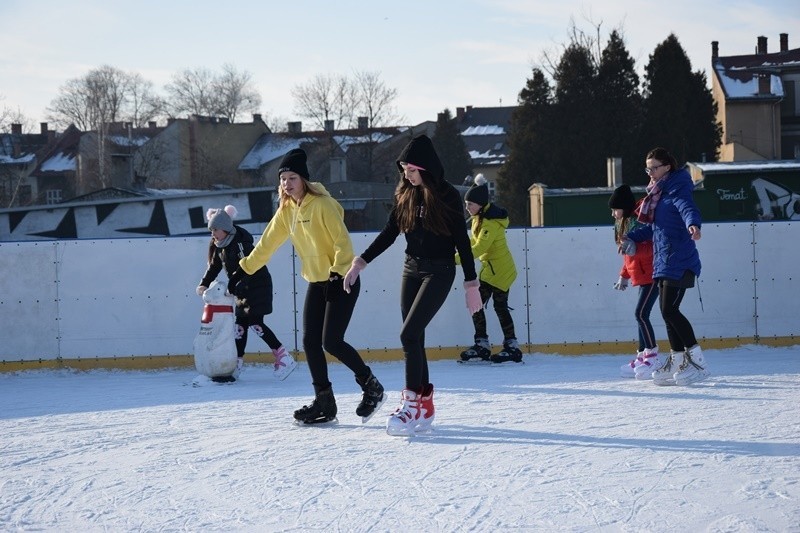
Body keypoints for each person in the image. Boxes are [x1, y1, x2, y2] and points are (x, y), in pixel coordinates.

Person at [343, 134, 482, 436]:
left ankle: (410, 403)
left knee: (407, 334)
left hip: (440, 271)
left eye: (411, 169)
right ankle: (425, 405)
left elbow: (462, 241)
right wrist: (361, 261)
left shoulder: (447, 196)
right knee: (414, 338)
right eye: (404, 168)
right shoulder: (406, 194)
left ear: (426, 168)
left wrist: (471, 283)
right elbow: (390, 231)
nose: (406, 173)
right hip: (412, 268)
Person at [235, 148, 385, 424]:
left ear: (304, 179)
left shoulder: (323, 205)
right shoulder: (286, 211)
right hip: (317, 281)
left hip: (343, 279)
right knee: (309, 341)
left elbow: (343, 245)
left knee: (332, 341)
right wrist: (244, 269)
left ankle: (371, 387)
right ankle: (324, 402)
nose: (287, 184)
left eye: (292, 178)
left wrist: (337, 276)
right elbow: (267, 244)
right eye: (283, 179)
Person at [624, 147, 709, 386]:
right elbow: (654, 228)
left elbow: (687, 209)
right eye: (647, 167)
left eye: (654, 167)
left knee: (670, 311)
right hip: (663, 260)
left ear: (667, 167)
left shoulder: (677, 189)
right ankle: (678, 358)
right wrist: (632, 237)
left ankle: (697, 361)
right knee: (666, 312)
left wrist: (693, 224)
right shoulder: (659, 195)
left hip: (680, 260)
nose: (650, 172)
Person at [197, 205, 297, 381]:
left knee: (255, 323)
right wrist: (204, 284)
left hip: (257, 286)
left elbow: (250, 267)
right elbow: (214, 267)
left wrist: (237, 285)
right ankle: (237, 362)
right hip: (241, 289)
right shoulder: (220, 246)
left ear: (226, 229)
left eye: (215, 229)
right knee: (240, 326)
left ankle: (283, 357)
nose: (212, 233)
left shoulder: (241, 243)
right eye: (211, 230)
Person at [458, 173, 522, 364]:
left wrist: (453, 259)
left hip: (501, 272)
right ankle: (482, 344)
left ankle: (512, 347)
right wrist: (458, 249)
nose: (467, 207)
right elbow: (472, 242)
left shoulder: (490, 222)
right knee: (475, 304)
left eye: (470, 204)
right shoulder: (479, 218)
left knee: (500, 307)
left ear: (479, 204)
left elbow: (479, 248)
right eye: (466, 204)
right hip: (490, 271)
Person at [608, 184, 660, 379]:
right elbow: (627, 256)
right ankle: (642, 356)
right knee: (640, 316)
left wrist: (635, 249)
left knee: (640, 314)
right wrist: (623, 276)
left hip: (652, 275)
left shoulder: (639, 224)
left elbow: (651, 249)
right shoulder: (624, 225)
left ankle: (652, 355)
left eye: (615, 209)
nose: (613, 214)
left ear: (625, 208)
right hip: (640, 276)